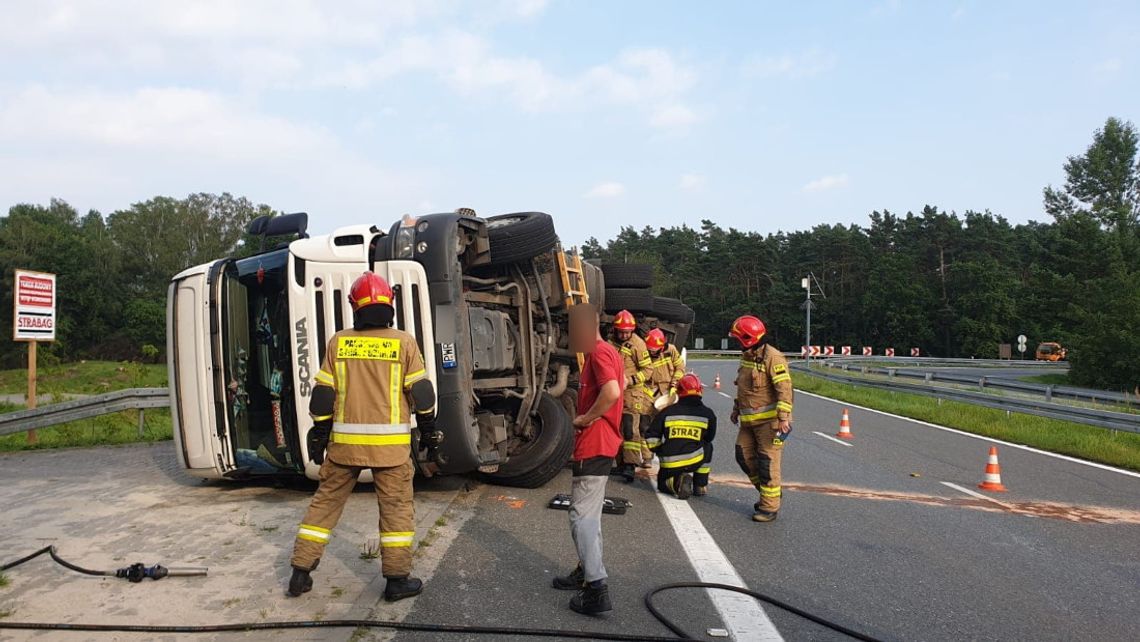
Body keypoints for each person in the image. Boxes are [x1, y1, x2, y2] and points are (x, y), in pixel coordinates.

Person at [287, 272, 440, 601]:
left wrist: (319, 434)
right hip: (392, 452)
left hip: (344, 449)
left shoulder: (339, 341)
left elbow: (323, 397)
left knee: (323, 507)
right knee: (396, 511)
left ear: (354, 306)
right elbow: (423, 394)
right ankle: (397, 581)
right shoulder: (403, 342)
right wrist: (428, 432)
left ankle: (300, 573)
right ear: (390, 303)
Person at [552, 303, 623, 616]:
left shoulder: (599, 352)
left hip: (595, 442)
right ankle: (585, 570)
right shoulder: (610, 352)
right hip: (603, 443)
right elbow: (623, 385)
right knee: (588, 515)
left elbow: (612, 392)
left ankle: (596, 587)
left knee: (582, 517)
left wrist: (586, 418)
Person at [728, 315, 793, 523]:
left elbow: (784, 389)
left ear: (747, 338)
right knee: (743, 456)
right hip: (748, 422)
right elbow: (744, 387)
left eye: (738, 339)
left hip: (769, 424)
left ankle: (769, 506)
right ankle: (769, 492)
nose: (736, 343)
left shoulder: (773, 358)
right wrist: (736, 409)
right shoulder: (747, 356)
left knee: (767, 464)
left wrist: (783, 418)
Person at [645, 373, 715, 498]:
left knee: (663, 484)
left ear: (679, 391)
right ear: (700, 391)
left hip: (669, 463)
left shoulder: (667, 412)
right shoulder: (708, 413)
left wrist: (660, 450)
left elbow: (651, 436)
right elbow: (709, 437)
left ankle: (677, 482)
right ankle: (700, 485)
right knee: (708, 446)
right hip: (695, 459)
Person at [608, 309, 653, 481]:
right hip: (613, 391)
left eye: (628, 332)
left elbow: (648, 369)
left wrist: (631, 380)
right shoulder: (610, 342)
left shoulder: (638, 344)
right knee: (615, 427)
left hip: (631, 393)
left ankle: (630, 465)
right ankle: (619, 463)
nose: (625, 335)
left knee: (629, 429)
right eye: (622, 332)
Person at [643, 328, 685, 464]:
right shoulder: (644, 351)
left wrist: (674, 385)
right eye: (651, 349)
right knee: (646, 425)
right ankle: (647, 457)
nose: (652, 352)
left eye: (655, 350)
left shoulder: (671, 350)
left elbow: (680, 368)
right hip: (649, 390)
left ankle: (670, 456)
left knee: (670, 426)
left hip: (668, 392)